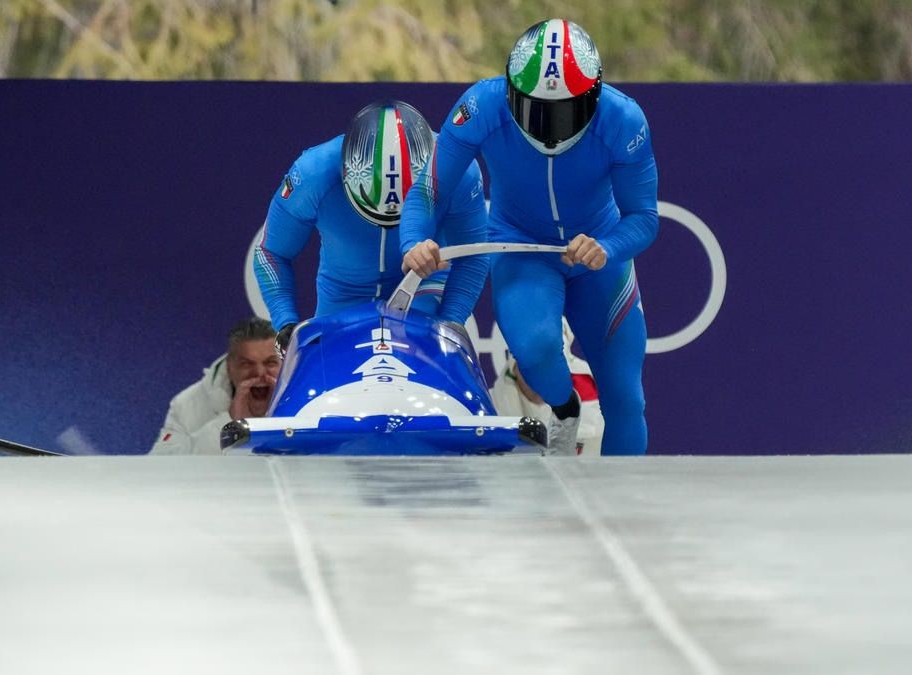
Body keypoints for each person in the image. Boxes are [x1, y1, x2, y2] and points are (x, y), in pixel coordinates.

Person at [401, 19, 658, 455]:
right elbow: (430, 190)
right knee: (537, 350)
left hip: (596, 255)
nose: (549, 127)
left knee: (626, 400)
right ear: (510, 93)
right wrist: (414, 241)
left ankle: (624, 494)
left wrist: (607, 247)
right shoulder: (480, 106)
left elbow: (643, 217)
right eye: (534, 110)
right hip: (521, 247)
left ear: (593, 98)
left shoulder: (624, 119)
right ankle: (565, 407)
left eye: (564, 112)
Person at [253, 99, 488, 356]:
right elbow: (270, 252)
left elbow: (474, 255)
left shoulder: (458, 170)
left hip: (422, 284)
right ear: (346, 173)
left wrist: (451, 322)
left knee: (415, 345)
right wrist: (286, 324)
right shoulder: (312, 173)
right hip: (344, 294)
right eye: (371, 213)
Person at [150, 317, 280, 455]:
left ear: (286, 364)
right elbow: (158, 464)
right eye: (246, 364)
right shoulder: (187, 405)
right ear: (229, 367)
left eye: (270, 363)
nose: (259, 372)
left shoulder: (299, 407)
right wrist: (230, 424)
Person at [489, 319, 604, 456]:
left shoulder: (591, 393)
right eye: (534, 367)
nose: (540, 378)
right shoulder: (494, 406)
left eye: (550, 369)